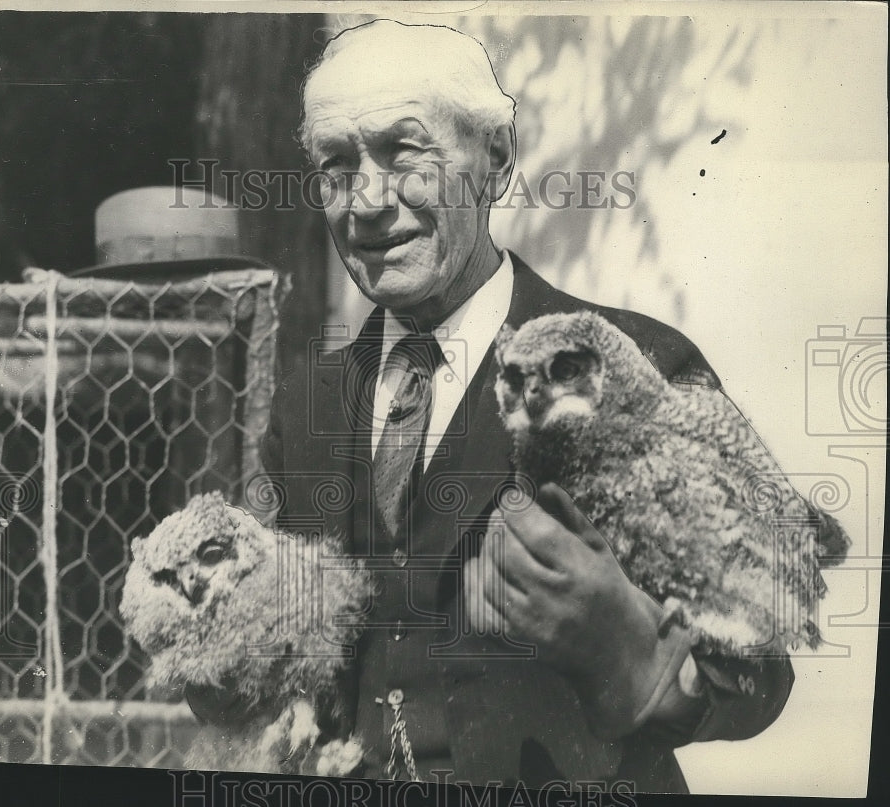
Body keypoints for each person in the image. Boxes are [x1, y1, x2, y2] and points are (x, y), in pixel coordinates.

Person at [190, 20, 793, 791]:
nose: (367, 201)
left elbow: (762, 667)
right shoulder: (310, 400)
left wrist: (645, 664)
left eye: (404, 151)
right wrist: (215, 647)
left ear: (496, 160)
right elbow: (270, 671)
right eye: (337, 166)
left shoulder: (631, 366)